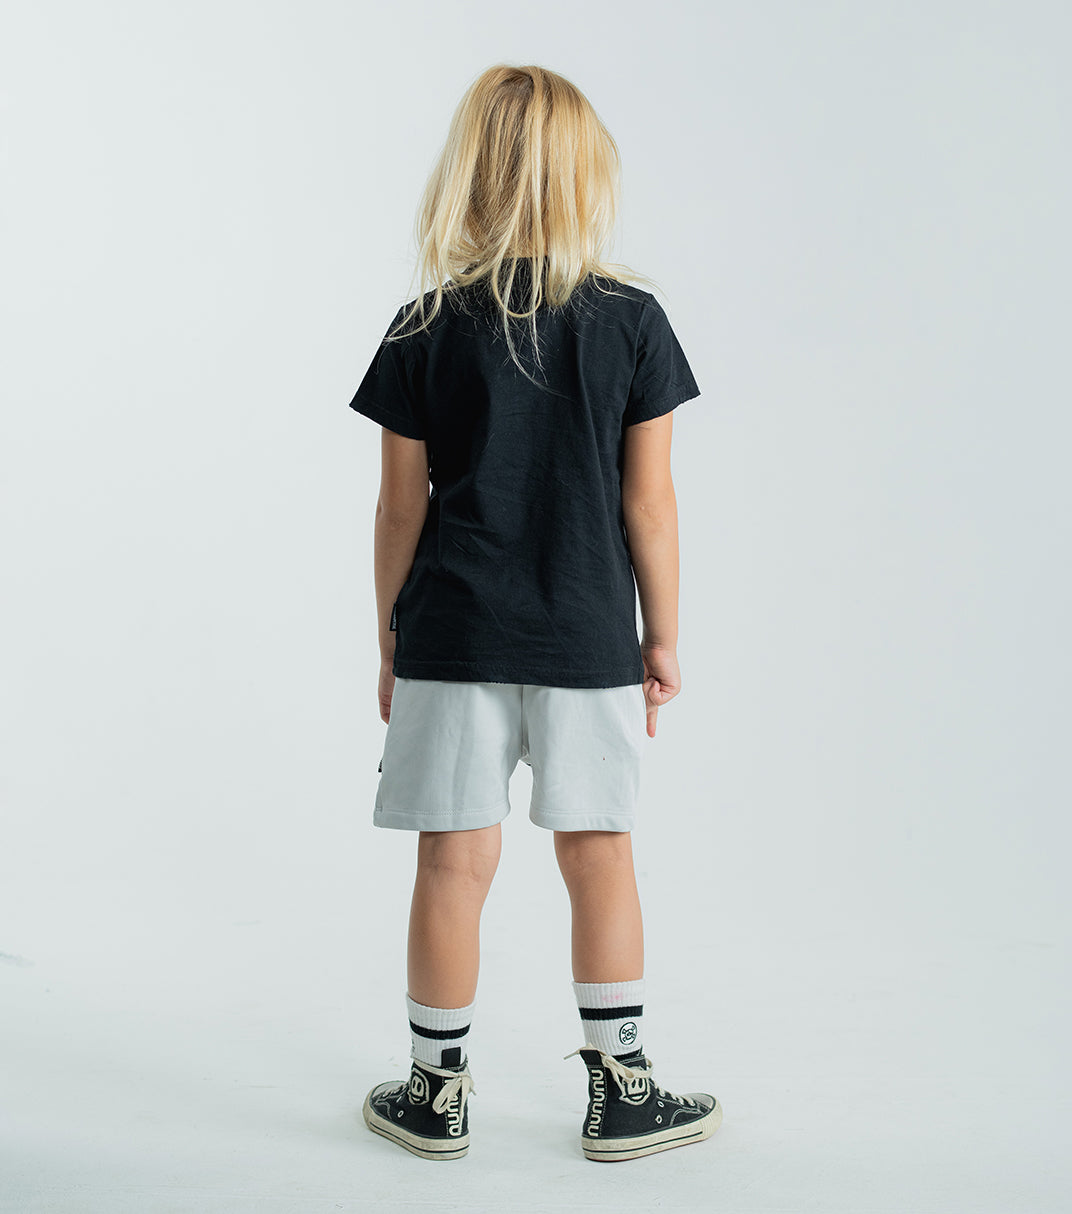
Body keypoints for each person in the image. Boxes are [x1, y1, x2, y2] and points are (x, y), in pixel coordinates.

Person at [346, 63, 722, 1163]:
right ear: (585, 174)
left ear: (469, 174)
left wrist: (391, 638)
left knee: (450, 866)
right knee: (600, 856)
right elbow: (648, 503)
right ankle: (624, 1090)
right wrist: (661, 636)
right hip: (587, 636)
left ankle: (434, 1094)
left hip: (452, 635)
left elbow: (399, 506)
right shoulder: (632, 322)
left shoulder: (424, 324)